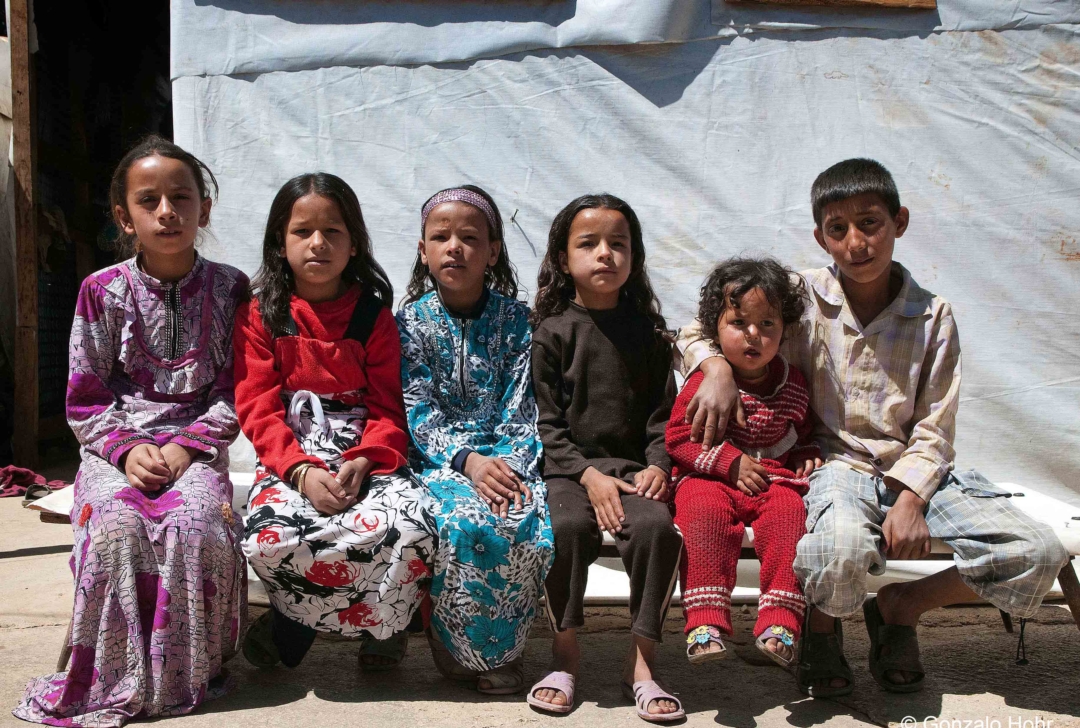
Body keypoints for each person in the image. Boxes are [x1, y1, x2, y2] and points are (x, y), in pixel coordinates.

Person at [676, 158, 1068, 696]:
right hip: (835, 467)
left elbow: (936, 424)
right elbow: (700, 324)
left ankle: (901, 608)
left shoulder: (933, 316)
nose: (856, 242)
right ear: (820, 237)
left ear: (899, 222)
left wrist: (910, 497)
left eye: (870, 223)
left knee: (1036, 550)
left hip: (916, 471)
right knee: (832, 551)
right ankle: (822, 630)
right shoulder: (799, 296)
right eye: (838, 229)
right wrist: (715, 367)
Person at [15, 136, 248, 725]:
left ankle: (187, 672)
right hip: (116, 449)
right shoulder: (101, 290)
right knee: (116, 525)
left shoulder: (231, 288)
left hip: (194, 446)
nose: (167, 211)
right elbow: (86, 397)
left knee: (196, 522)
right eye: (149, 200)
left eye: (181, 197)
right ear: (125, 217)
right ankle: (116, 675)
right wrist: (128, 451)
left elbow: (235, 391)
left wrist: (184, 448)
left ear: (205, 208)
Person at [235, 173, 436, 673]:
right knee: (271, 537)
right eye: (302, 231)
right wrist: (300, 471)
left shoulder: (373, 318)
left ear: (354, 245)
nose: (318, 243)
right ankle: (296, 623)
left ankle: (382, 632)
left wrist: (366, 459)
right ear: (280, 243)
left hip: (366, 450)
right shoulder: (262, 315)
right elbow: (257, 406)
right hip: (292, 451)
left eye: (334, 232)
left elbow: (390, 406)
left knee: (410, 528)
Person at [528, 194, 684, 722]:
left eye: (618, 244)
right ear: (562, 256)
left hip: (634, 474)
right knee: (566, 527)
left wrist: (659, 465)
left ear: (635, 257)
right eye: (588, 243)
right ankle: (565, 657)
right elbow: (545, 425)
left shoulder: (650, 335)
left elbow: (665, 418)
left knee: (657, 530)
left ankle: (641, 666)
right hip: (570, 474)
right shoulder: (550, 333)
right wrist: (586, 474)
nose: (605, 255)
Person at [397, 185, 553, 695]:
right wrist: (467, 462)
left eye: (470, 237)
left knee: (518, 512)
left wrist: (505, 464)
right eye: (440, 237)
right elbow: (415, 408)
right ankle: (451, 648)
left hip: (508, 455)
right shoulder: (410, 324)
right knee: (459, 520)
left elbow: (522, 404)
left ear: (493, 251)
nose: (454, 247)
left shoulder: (515, 321)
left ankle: (500, 653)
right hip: (436, 460)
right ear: (423, 250)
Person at [666, 257, 819, 672]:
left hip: (771, 481)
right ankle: (706, 622)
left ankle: (781, 624)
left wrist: (806, 455)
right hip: (709, 476)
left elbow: (803, 435)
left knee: (790, 516)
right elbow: (679, 438)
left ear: (784, 329)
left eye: (767, 324)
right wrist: (730, 464)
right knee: (703, 515)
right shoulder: (706, 383)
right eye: (738, 324)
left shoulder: (793, 386)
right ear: (714, 327)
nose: (753, 336)